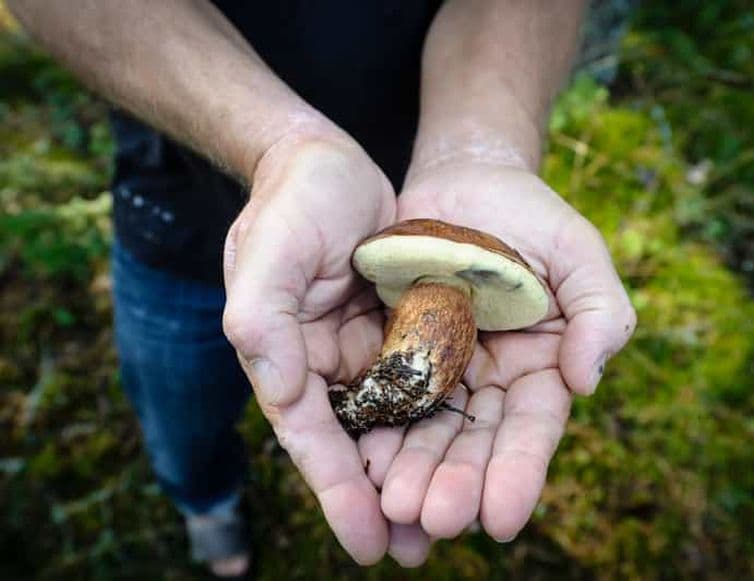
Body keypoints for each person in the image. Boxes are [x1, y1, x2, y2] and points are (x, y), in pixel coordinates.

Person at [8, 0, 637, 577]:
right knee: (181, 412)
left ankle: (217, 497)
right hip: (177, 209)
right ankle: (205, 503)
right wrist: (282, 146)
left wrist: (485, 142)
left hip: (391, 205)